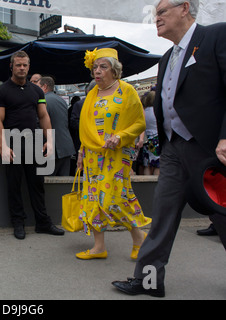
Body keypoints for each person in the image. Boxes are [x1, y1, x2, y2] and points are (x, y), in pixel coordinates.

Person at [112, 0, 226, 298]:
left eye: (161, 12)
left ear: (184, 8)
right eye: (155, 14)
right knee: (162, 214)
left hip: (209, 148)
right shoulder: (165, 59)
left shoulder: (215, 36)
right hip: (173, 148)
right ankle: (148, 281)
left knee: (222, 215)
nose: (156, 19)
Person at [75, 48, 151, 260]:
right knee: (93, 198)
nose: (97, 72)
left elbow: (139, 123)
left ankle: (139, 238)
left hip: (117, 154)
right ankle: (99, 247)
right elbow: (86, 127)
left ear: (114, 70)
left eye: (103, 67)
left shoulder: (126, 91)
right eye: (94, 68)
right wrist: (81, 151)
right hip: (92, 155)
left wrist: (120, 136)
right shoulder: (91, 94)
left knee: (114, 198)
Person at [0, 50, 65, 240]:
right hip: (13, 144)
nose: (22, 68)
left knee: (37, 185)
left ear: (29, 67)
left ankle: (42, 223)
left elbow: (43, 116)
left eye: (25, 65)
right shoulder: (1, 91)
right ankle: (18, 223)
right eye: (18, 65)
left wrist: (50, 139)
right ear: (12, 66)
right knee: (14, 186)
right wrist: (4, 146)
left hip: (34, 143)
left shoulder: (37, 91)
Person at [38, 76, 75, 176]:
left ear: (44, 87)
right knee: (63, 185)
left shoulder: (43, 101)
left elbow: (40, 123)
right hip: (66, 147)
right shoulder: (61, 100)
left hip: (52, 149)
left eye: (38, 87)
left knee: (49, 186)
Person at [137, 90, 161, 175]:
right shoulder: (157, 111)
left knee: (147, 163)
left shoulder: (144, 111)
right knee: (157, 164)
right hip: (157, 139)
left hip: (146, 140)